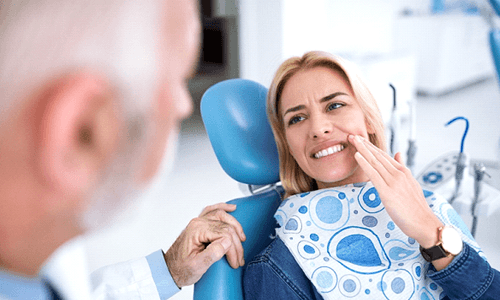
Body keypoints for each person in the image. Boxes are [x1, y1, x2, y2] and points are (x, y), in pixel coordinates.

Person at [0, 0, 245, 299]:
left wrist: (170, 269)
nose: (183, 105)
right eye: (177, 80)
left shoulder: (26, 264)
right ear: (82, 132)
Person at [243, 51, 500, 299]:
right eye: (297, 119)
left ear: (368, 118)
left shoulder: (431, 210)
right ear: (288, 145)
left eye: (334, 105)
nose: (319, 129)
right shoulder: (278, 265)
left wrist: (430, 233)